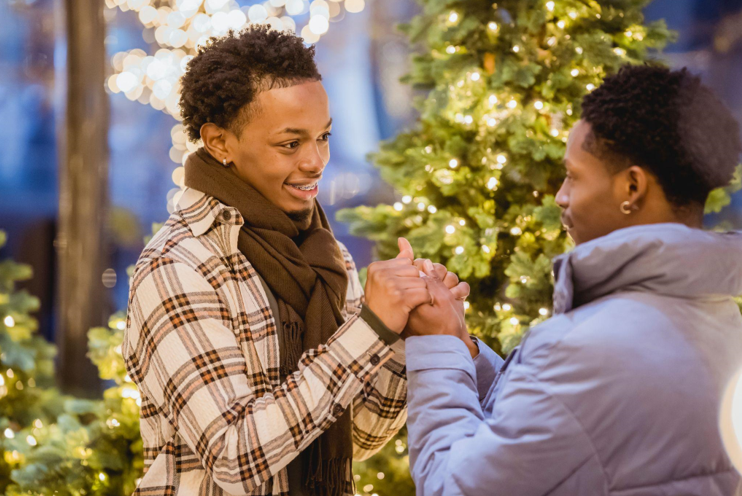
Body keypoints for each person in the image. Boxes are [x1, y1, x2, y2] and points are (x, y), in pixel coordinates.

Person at [122, 26, 466, 496]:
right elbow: (233, 457)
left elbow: (358, 435)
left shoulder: (325, 256)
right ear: (219, 142)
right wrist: (370, 328)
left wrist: (408, 334)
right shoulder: (179, 266)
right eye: (291, 144)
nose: (316, 161)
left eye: (323, 137)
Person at [402, 64, 742, 495]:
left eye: (573, 176)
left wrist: (436, 346)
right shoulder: (720, 315)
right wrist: (465, 350)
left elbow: (452, 489)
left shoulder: (585, 349)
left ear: (632, 187)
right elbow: (561, 436)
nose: (561, 196)